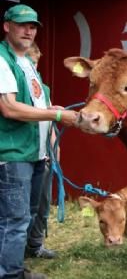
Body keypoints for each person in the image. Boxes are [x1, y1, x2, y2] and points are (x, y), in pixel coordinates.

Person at [0, 4, 77, 279]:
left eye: (32, 26)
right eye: (22, 25)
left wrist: (51, 113)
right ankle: (9, 274)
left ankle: (14, 267)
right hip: (12, 155)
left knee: (25, 217)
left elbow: (34, 103)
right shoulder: (2, 59)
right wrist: (57, 113)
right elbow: (9, 108)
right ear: (6, 26)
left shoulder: (27, 64)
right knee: (14, 220)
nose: (28, 31)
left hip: (34, 154)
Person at [24, 42, 57, 260]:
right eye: (30, 62)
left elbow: (50, 122)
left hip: (44, 155)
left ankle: (35, 245)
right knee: (21, 207)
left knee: (42, 202)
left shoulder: (43, 89)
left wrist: (55, 153)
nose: (34, 67)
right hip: (22, 155)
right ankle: (16, 249)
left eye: (36, 63)